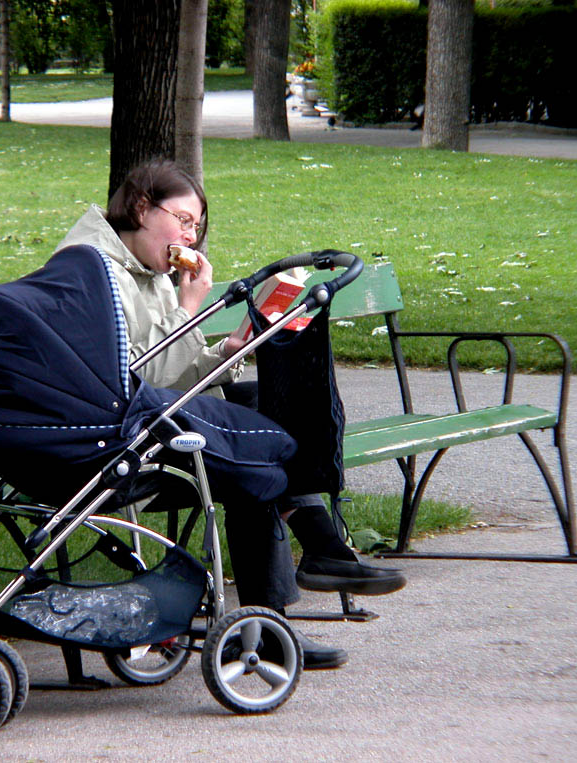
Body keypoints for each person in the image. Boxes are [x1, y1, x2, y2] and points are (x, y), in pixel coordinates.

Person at [56, 160, 406, 669]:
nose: (190, 235)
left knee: (269, 402)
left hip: (151, 416)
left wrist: (225, 349)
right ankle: (303, 571)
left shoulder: (145, 267)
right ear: (140, 207)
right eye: (182, 219)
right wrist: (191, 305)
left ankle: (315, 552)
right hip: (114, 436)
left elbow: (170, 371)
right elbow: (132, 377)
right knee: (253, 442)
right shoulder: (91, 266)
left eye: (196, 225)